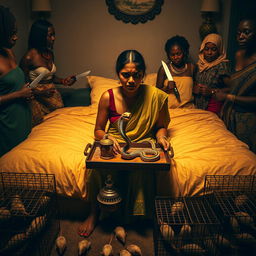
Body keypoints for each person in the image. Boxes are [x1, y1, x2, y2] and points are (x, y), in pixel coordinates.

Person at [78, 50, 170, 237]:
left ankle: (138, 217)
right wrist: (108, 139)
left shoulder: (156, 96)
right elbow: (98, 130)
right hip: (115, 141)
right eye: (125, 75)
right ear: (118, 74)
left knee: (141, 169)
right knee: (96, 168)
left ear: (143, 74)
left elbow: (161, 126)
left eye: (136, 75)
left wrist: (161, 137)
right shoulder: (107, 96)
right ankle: (94, 213)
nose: (130, 80)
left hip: (142, 143)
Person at [20, 19, 76, 126]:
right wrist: (39, 93)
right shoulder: (29, 57)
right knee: (42, 128)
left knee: (58, 125)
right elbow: (21, 86)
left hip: (53, 97)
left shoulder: (49, 53)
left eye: (54, 34)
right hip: (36, 100)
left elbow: (50, 77)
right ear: (40, 36)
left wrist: (64, 81)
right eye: (50, 35)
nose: (53, 38)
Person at [217, 18, 256, 153]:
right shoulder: (238, 54)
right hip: (230, 115)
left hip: (249, 120)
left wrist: (229, 96)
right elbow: (239, 87)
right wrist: (224, 91)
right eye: (239, 32)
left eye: (246, 32)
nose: (241, 37)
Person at [0, 6, 33, 157]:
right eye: (11, 34)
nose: (16, 37)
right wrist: (19, 94)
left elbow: (15, 85)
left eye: (16, 32)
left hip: (23, 119)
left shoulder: (9, 52)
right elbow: (14, 93)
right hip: (7, 125)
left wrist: (26, 91)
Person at [193, 33, 230, 115]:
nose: (209, 52)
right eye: (206, 49)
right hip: (198, 105)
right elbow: (196, 81)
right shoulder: (200, 64)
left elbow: (231, 88)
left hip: (213, 105)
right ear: (203, 49)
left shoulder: (222, 66)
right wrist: (194, 87)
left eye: (214, 49)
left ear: (219, 50)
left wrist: (212, 91)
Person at [156, 35, 195, 108]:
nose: (176, 57)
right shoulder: (163, 69)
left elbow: (195, 89)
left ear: (184, 52)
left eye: (178, 54)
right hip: (169, 110)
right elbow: (156, 94)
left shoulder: (192, 68)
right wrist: (166, 88)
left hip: (189, 109)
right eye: (172, 55)